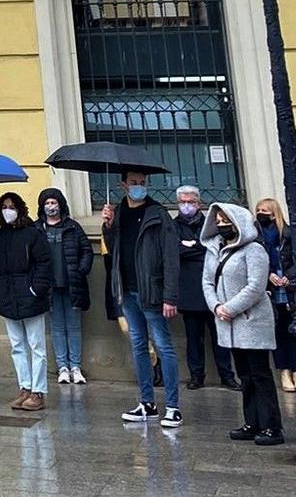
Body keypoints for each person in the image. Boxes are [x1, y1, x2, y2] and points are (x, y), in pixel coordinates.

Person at [102, 170, 184, 428]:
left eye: (142, 183)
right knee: (138, 345)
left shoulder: (157, 214)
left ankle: (173, 407)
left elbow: (172, 257)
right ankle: (147, 403)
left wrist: (170, 296)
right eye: (134, 183)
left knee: (164, 346)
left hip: (153, 291)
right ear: (123, 184)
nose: (139, 187)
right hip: (126, 290)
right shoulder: (117, 212)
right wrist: (107, 226)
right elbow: (113, 250)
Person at [203, 203, 281, 446]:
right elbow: (207, 282)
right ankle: (252, 422)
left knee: (260, 373)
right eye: (218, 219)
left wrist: (230, 308)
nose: (221, 223)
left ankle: (271, 426)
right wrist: (216, 307)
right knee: (244, 374)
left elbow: (256, 286)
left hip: (251, 321)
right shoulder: (216, 250)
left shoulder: (254, 250)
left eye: (226, 219)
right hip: (227, 323)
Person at [0, 192, 51, 411]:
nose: (7, 210)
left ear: (20, 209)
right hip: (7, 297)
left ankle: (38, 391)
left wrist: (36, 289)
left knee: (36, 345)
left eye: (11, 206)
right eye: (4, 206)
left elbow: (44, 263)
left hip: (30, 296)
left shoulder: (33, 234)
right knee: (17, 345)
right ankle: (25, 387)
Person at [172, 186, 239, 392]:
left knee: (221, 337)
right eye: (182, 202)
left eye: (190, 202)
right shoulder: (173, 225)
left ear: (198, 203)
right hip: (189, 289)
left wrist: (192, 247)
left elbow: (214, 249)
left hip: (215, 289)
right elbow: (175, 251)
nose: (186, 206)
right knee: (194, 338)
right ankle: (196, 376)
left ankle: (227, 376)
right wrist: (194, 249)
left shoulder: (209, 223)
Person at [35, 187, 93, 386]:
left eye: (54, 203)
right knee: (57, 328)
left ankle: (75, 366)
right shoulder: (37, 229)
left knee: (74, 327)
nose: (51, 207)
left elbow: (86, 250)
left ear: (61, 204)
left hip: (72, 285)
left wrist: (81, 269)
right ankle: (62, 367)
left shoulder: (73, 227)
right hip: (50, 287)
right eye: (47, 203)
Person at [252, 197, 296, 392]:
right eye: (259, 210)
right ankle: (284, 371)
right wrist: (268, 273)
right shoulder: (255, 236)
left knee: (294, 332)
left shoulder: (289, 234)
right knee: (277, 333)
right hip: (270, 289)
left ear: (274, 213)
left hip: (289, 289)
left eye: (265, 210)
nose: (261, 213)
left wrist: (289, 275)